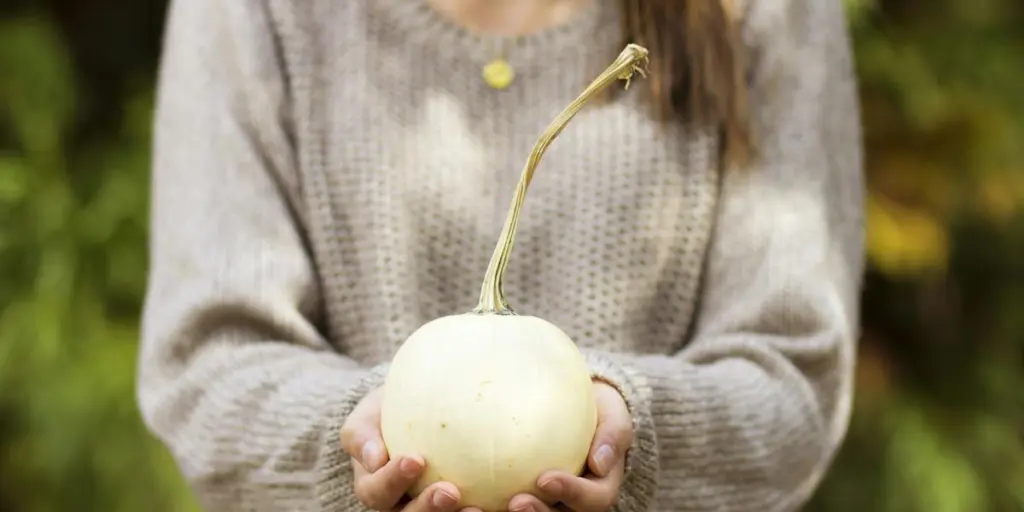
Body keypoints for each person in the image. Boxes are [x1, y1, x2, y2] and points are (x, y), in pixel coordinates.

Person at [136, 0, 864, 510]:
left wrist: (628, 429)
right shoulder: (255, 12)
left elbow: (792, 369)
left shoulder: (759, 10)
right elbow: (212, 360)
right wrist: (363, 446)